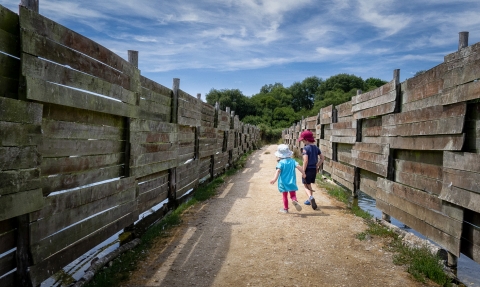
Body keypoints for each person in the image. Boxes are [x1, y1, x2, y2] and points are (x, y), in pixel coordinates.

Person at [270, 144, 306, 214]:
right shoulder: (293, 161)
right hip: (292, 181)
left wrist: (274, 179)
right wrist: (303, 173)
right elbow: (299, 166)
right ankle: (294, 200)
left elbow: (278, 170)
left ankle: (285, 209)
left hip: (283, 183)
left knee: (284, 196)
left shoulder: (281, 163)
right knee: (293, 194)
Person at [298, 130, 324, 210]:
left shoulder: (306, 148)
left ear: (306, 139)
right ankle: (309, 200)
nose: (302, 142)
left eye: (302, 140)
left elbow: (305, 161)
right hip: (313, 169)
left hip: (307, 169)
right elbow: (322, 158)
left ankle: (310, 197)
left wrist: (303, 171)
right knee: (309, 184)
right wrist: (317, 166)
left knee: (305, 186)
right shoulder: (316, 148)